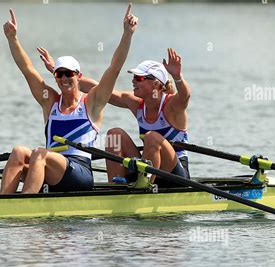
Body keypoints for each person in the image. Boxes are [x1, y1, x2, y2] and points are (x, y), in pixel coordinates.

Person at [0, 5, 138, 194]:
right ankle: (3, 204)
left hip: (79, 173)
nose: (64, 78)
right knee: (18, 152)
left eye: (68, 74)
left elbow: (114, 68)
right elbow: (28, 70)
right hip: (51, 168)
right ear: (55, 76)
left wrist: (127, 34)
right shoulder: (50, 102)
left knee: (40, 154)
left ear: (78, 75)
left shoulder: (92, 103)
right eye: (59, 74)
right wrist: (12, 39)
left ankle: (26, 209)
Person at [38, 47, 191, 187]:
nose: (133, 81)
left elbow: (185, 96)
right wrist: (60, 73)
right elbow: (101, 88)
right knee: (114, 134)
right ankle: (115, 186)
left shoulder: (172, 105)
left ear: (156, 84)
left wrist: (178, 77)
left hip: (175, 173)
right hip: (150, 166)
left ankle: (144, 184)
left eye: (139, 78)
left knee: (151, 137)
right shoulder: (135, 103)